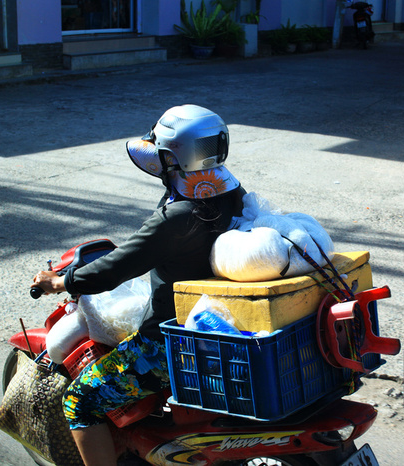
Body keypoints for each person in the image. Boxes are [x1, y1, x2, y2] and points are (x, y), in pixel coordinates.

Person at [31, 104, 245, 466]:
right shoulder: (228, 192)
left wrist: (61, 281)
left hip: (170, 340)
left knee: (80, 401)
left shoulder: (175, 217)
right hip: (217, 321)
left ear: (172, 158)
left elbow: (117, 267)